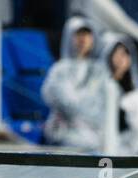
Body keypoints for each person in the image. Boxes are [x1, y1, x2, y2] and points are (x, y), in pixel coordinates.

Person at [43, 16, 108, 150]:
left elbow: (101, 105)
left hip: (94, 136)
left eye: (87, 35)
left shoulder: (101, 71)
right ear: (69, 38)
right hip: (63, 135)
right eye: (78, 34)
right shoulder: (59, 69)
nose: (83, 39)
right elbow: (63, 101)